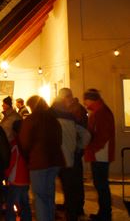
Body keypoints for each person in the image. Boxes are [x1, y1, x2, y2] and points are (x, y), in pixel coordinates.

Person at [19, 95, 64, 221]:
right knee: (49, 194)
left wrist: (27, 156)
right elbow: (59, 138)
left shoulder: (31, 119)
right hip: (55, 160)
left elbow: (25, 142)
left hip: (39, 161)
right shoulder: (53, 119)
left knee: (39, 195)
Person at [51, 88, 91, 221]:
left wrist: (78, 148)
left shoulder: (71, 112)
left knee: (69, 186)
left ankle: (73, 210)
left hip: (59, 157)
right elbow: (85, 134)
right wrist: (78, 148)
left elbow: (84, 134)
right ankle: (73, 212)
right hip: (70, 156)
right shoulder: (72, 114)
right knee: (71, 187)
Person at [83, 89, 115, 221]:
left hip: (100, 154)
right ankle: (104, 213)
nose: (84, 103)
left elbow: (103, 136)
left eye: (86, 100)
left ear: (92, 100)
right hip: (99, 153)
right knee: (100, 185)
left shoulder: (101, 113)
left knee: (101, 185)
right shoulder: (99, 111)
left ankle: (105, 214)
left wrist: (91, 148)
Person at [5, 120, 31, 221]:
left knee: (11, 203)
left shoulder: (15, 144)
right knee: (25, 203)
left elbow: (11, 163)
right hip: (26, 179)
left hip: (16, 179)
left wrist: (6, 175)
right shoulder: (28, 142)